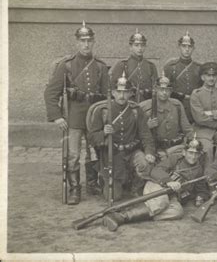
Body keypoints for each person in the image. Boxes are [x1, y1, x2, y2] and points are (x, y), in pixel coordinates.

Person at [44, 21, 109, 205]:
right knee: (73, 155)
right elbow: (50, 93)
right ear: (77, 42)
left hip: (94, 119)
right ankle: (74, 189)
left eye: (89, 40)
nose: (86, 44)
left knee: (95, 152)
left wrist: (104, 119)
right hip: (73, 118)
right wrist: (57, 116)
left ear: (94, 42)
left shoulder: (101, 67)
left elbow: (107, 97)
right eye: (82, 40)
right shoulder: (67, 66)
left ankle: (92, 183)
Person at [102, 136, 210, 232]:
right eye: (190, 153)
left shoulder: (199, 169)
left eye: (196, 154)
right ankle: (121, 216)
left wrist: (201, 197)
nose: (193, 156)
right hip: (156, 186)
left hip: (172, 196)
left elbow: (201, 188)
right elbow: (155, 171)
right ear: (184, 152)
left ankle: (142, 215)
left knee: (177, 212)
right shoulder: (175, 159)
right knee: (161, 202)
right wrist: (169, 181)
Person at [88, 73, 156, 201]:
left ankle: (135, 186)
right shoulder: (102, 111)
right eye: (118, 92)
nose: (121, 96)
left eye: (125, 92)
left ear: (130, 94)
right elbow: (91, 137)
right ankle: (108, 180)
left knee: (145, 163)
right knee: (114, 196)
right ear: (113, 93)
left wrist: (149, 152)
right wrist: (103, 132)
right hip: (111, 154)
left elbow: (145, 134)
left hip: (131, 151)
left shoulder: (136, 110)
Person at [141, 72, 193, 155]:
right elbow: (135, 133)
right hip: (154, 148)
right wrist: (147, 126)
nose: (164, 93)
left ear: (171, 91)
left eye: (167, 90)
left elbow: (186, 128)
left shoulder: (177, 105)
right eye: (161, 89)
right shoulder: (143, 106)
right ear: (155, 89)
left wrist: (193, 141)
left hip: (175, 147)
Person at [190, 62, 217, 162]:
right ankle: (208, 173)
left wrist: (211, 113)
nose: (211, 78)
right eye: (208, 75)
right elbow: (199, 118)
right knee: (207, 148)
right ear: (202, 77)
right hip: (202, 131)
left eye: (214, 75)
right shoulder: (196, 94)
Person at [163, 31, 202, 123]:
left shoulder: (199, 68)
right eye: (184, 46)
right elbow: (165, 89)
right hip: (176, 105)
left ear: (193, 48)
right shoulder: (170, 67)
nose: (187, 49)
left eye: (190, 47)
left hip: (194, 106)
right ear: (179, 47)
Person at [110, 30, 158, 102]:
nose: (140, 48)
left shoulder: (151, 66)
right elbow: (113, 89)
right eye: (136, 45)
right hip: (128, 103)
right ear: (130, 47)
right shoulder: (123, 65)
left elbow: (155, 88)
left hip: (146, 103)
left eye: (142, 45)